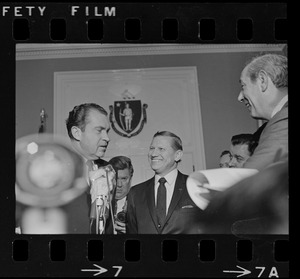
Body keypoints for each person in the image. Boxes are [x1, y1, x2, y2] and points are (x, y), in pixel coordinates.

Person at [126, 131, 204, 234]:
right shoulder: (135, 193)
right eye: (152, 148)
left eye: (161, 149)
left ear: (177, 155)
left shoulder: (196, 186)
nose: (153, 154)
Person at [64, 103, 111, 233]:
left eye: (107, 131)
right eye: (99, 130)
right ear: (77, 133)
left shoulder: (107, 170)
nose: (107, 138)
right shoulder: (56, 171)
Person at [238, 53, 288, 170]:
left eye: (243, 86)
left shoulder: (283, 120)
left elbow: (252, 177)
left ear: (262, 80)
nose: (240, 97)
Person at [108, 156, 134, 234]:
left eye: (123, 179)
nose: (119, 184)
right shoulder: (98, 203)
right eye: (115, 179)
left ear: (130, 178)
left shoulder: (141, 203)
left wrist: (133, 230)